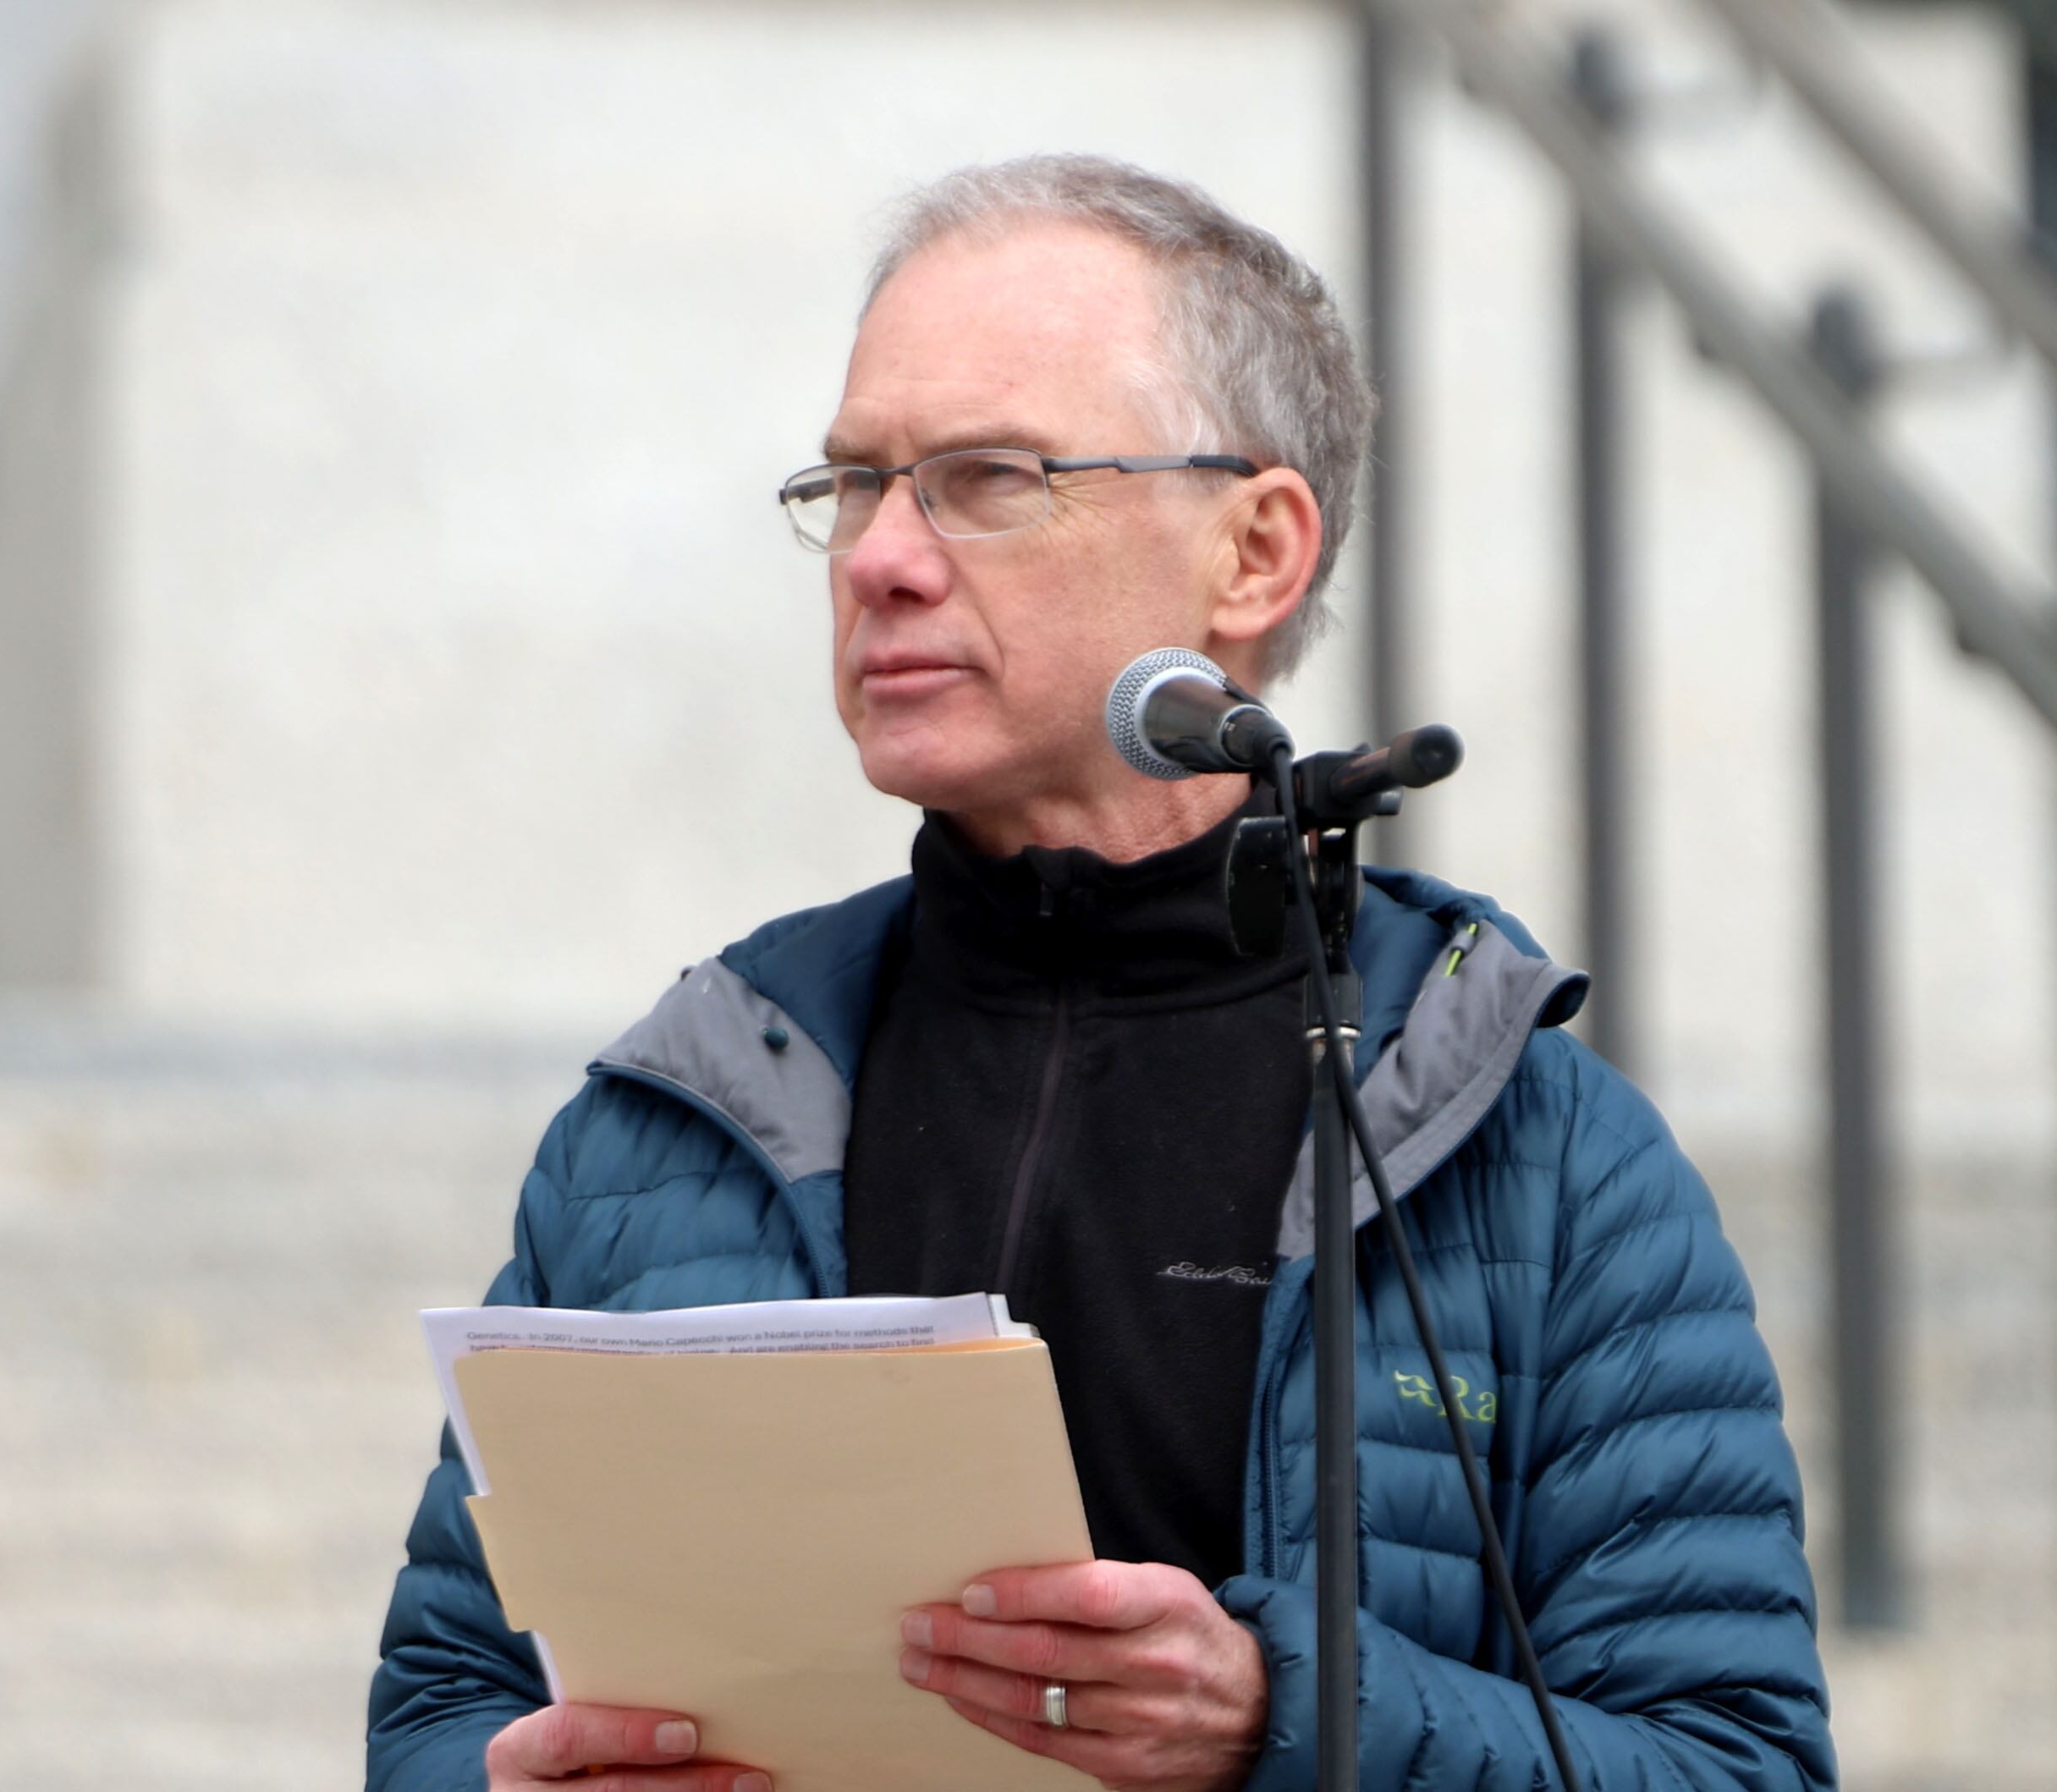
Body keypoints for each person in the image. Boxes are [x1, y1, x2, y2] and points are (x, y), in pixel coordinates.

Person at [365, 154, 1834, 1792]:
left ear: (1255, 554)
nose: (880, 560)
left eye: (988, 479)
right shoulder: (690, 1109)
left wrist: (1284, 1716)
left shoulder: (1534, 1152)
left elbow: (1739, 1767)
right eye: (854, 483)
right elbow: (437, 1708)